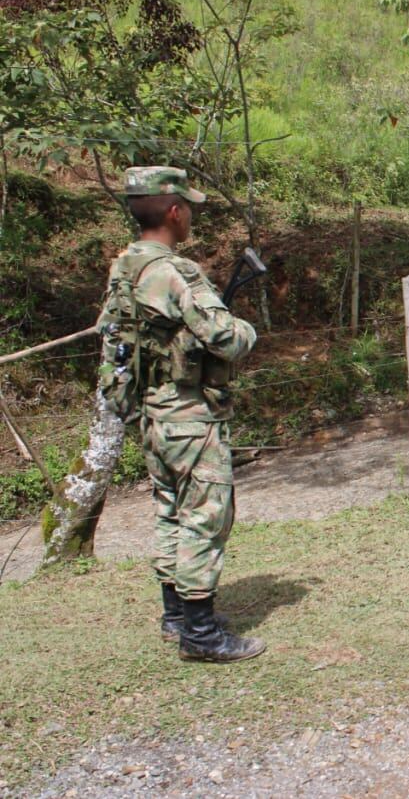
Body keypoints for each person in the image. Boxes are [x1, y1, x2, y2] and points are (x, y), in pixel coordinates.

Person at [97, 166, 264, 663]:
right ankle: (201, 634)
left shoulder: (124, 266)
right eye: (188, 206)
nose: (191, 215)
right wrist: (245, 329)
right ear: (174, 211)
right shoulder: (174, 271)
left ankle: (177, 616)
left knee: (170, 510)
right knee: (205, 516)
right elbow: (228, 340)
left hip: (152, 413)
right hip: (190, 414)